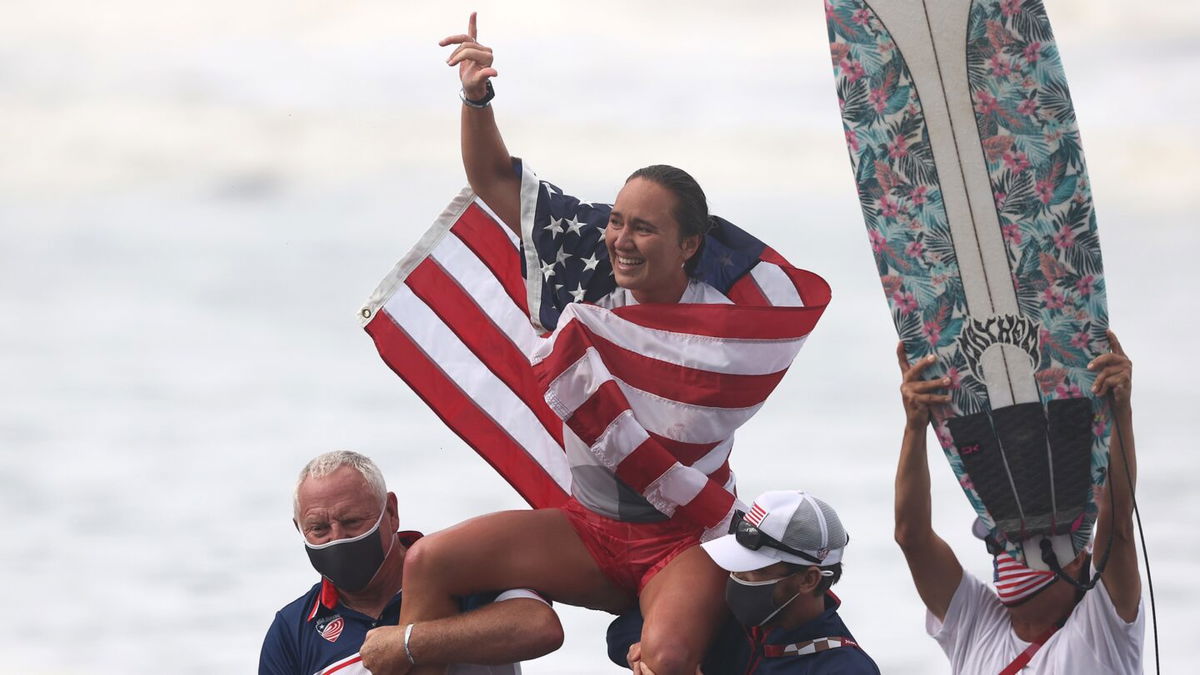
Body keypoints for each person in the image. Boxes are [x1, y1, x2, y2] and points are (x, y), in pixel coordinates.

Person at [365, 13, 830, 675]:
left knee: (665, 657)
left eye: (642, 228)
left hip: (684, 537)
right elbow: (495, 179)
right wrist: (476, 96)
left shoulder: (727, 321)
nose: (620, 239)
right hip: (588, 529)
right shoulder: (588, 261)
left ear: (689, 245)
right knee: (427, 560)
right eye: (616, 221)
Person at [893, 330, 1144, 673]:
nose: (1003, 552)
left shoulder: (1104, 627)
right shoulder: (977, 624)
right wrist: (915, 426)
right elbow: (912, 537)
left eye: (1020, 539)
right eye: (998, 542)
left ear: (1075, 557)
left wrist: (1121, 411)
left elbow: (1118, 526)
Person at [258, 450, 563, 675]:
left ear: (391, 513)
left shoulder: (460, 570)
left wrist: (409, 643)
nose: (338, 538)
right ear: (300, 530)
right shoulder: (292, 630)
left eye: (351, 521)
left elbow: (540, 627)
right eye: (319, 530)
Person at [608, 490, 881, 674]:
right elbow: (625, 627)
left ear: (808, 580)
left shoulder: (844, 668)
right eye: (736, 567)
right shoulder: (731, 617)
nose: (738, 580)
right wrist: (644, 650)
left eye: (756, 572)